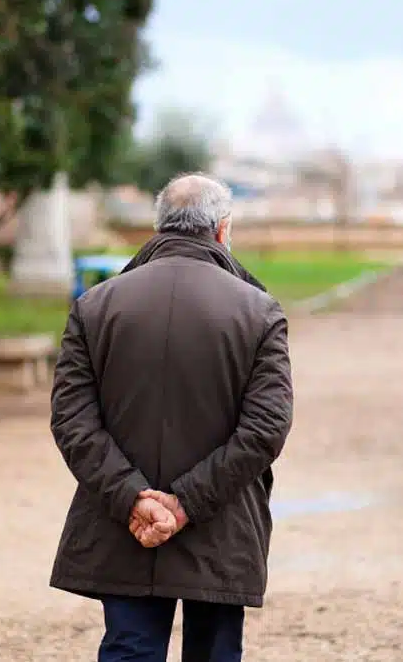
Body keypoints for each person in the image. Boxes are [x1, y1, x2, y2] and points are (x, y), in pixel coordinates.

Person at [49, 172, 295, 662]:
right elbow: (266, 427)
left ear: (160, 226)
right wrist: (185, 503)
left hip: (124, 523)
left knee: (130, 649)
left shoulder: (95, 306)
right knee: (214, 651)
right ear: (222, 229)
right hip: (221, 520)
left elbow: (71, 418)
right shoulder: (259, 311)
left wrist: (132, 498)